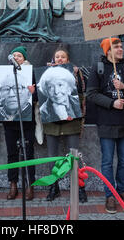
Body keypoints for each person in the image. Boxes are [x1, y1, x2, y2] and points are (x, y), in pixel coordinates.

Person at [86, 38, 124, 214]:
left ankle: (121, 191)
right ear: (107, 51)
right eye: (116, 47)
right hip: (107, 122)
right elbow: (91, 94)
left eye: (121, 46)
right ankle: (110, 195)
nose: (120, 49)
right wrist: (112, 103)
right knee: (108, 161)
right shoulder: (98, 68)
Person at [42, 47, 87, 203]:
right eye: (57, 57)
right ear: (53, 60)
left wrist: (72, 108)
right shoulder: (45, 73)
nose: (60, 59)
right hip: (52, 123)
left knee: (74, 157)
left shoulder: (75, 73)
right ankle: (54, 187)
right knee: (52, 157)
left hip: (71, 121)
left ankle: (79, 187)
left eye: (63, 57)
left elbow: (82, 95)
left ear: (68, 60)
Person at [0, 46, 36, 201]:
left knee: (28, 153)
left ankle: (30, 184)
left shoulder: (30, 72)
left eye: (19, 56)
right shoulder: (3, 74)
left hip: (27, 120)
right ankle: (13, 184)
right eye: (14, 55)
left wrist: (33, 92)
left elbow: (37, 95)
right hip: (9, 122)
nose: (16, 58)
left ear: (24, 58)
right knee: (12, 153)